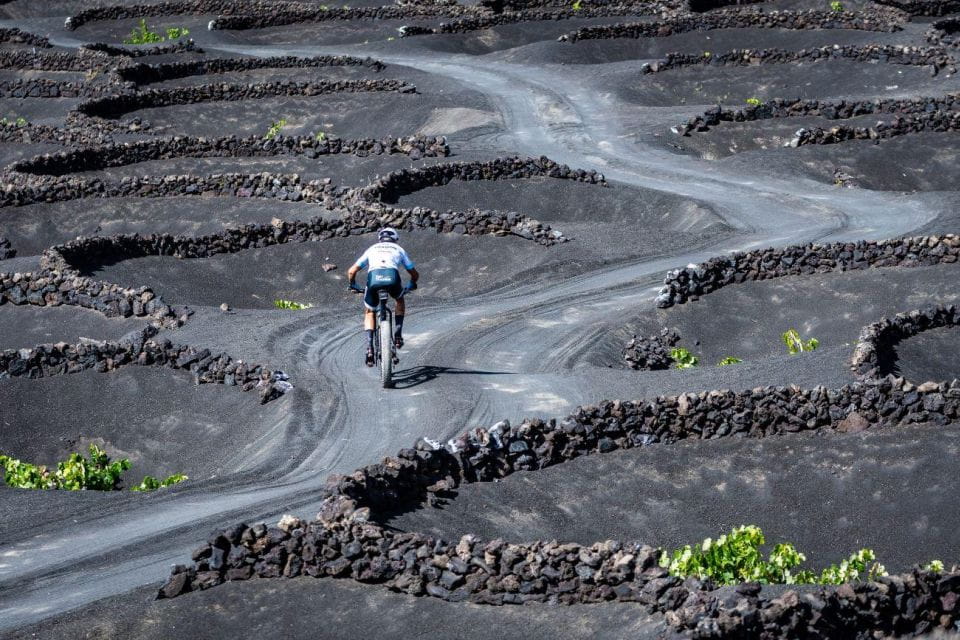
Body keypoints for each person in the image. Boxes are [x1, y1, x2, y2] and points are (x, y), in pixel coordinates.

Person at [347, 228, 419, 367]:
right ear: (395, 239)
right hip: (392, 278)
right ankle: (397, 336)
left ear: (380, 239)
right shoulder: (399, 249)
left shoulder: (372, 249)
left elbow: (351, 271)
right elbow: (414, 273)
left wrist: (353, 285)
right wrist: (412, 284)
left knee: (370, 311)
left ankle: (369, 347)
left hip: (374, 279)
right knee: (399, 300)